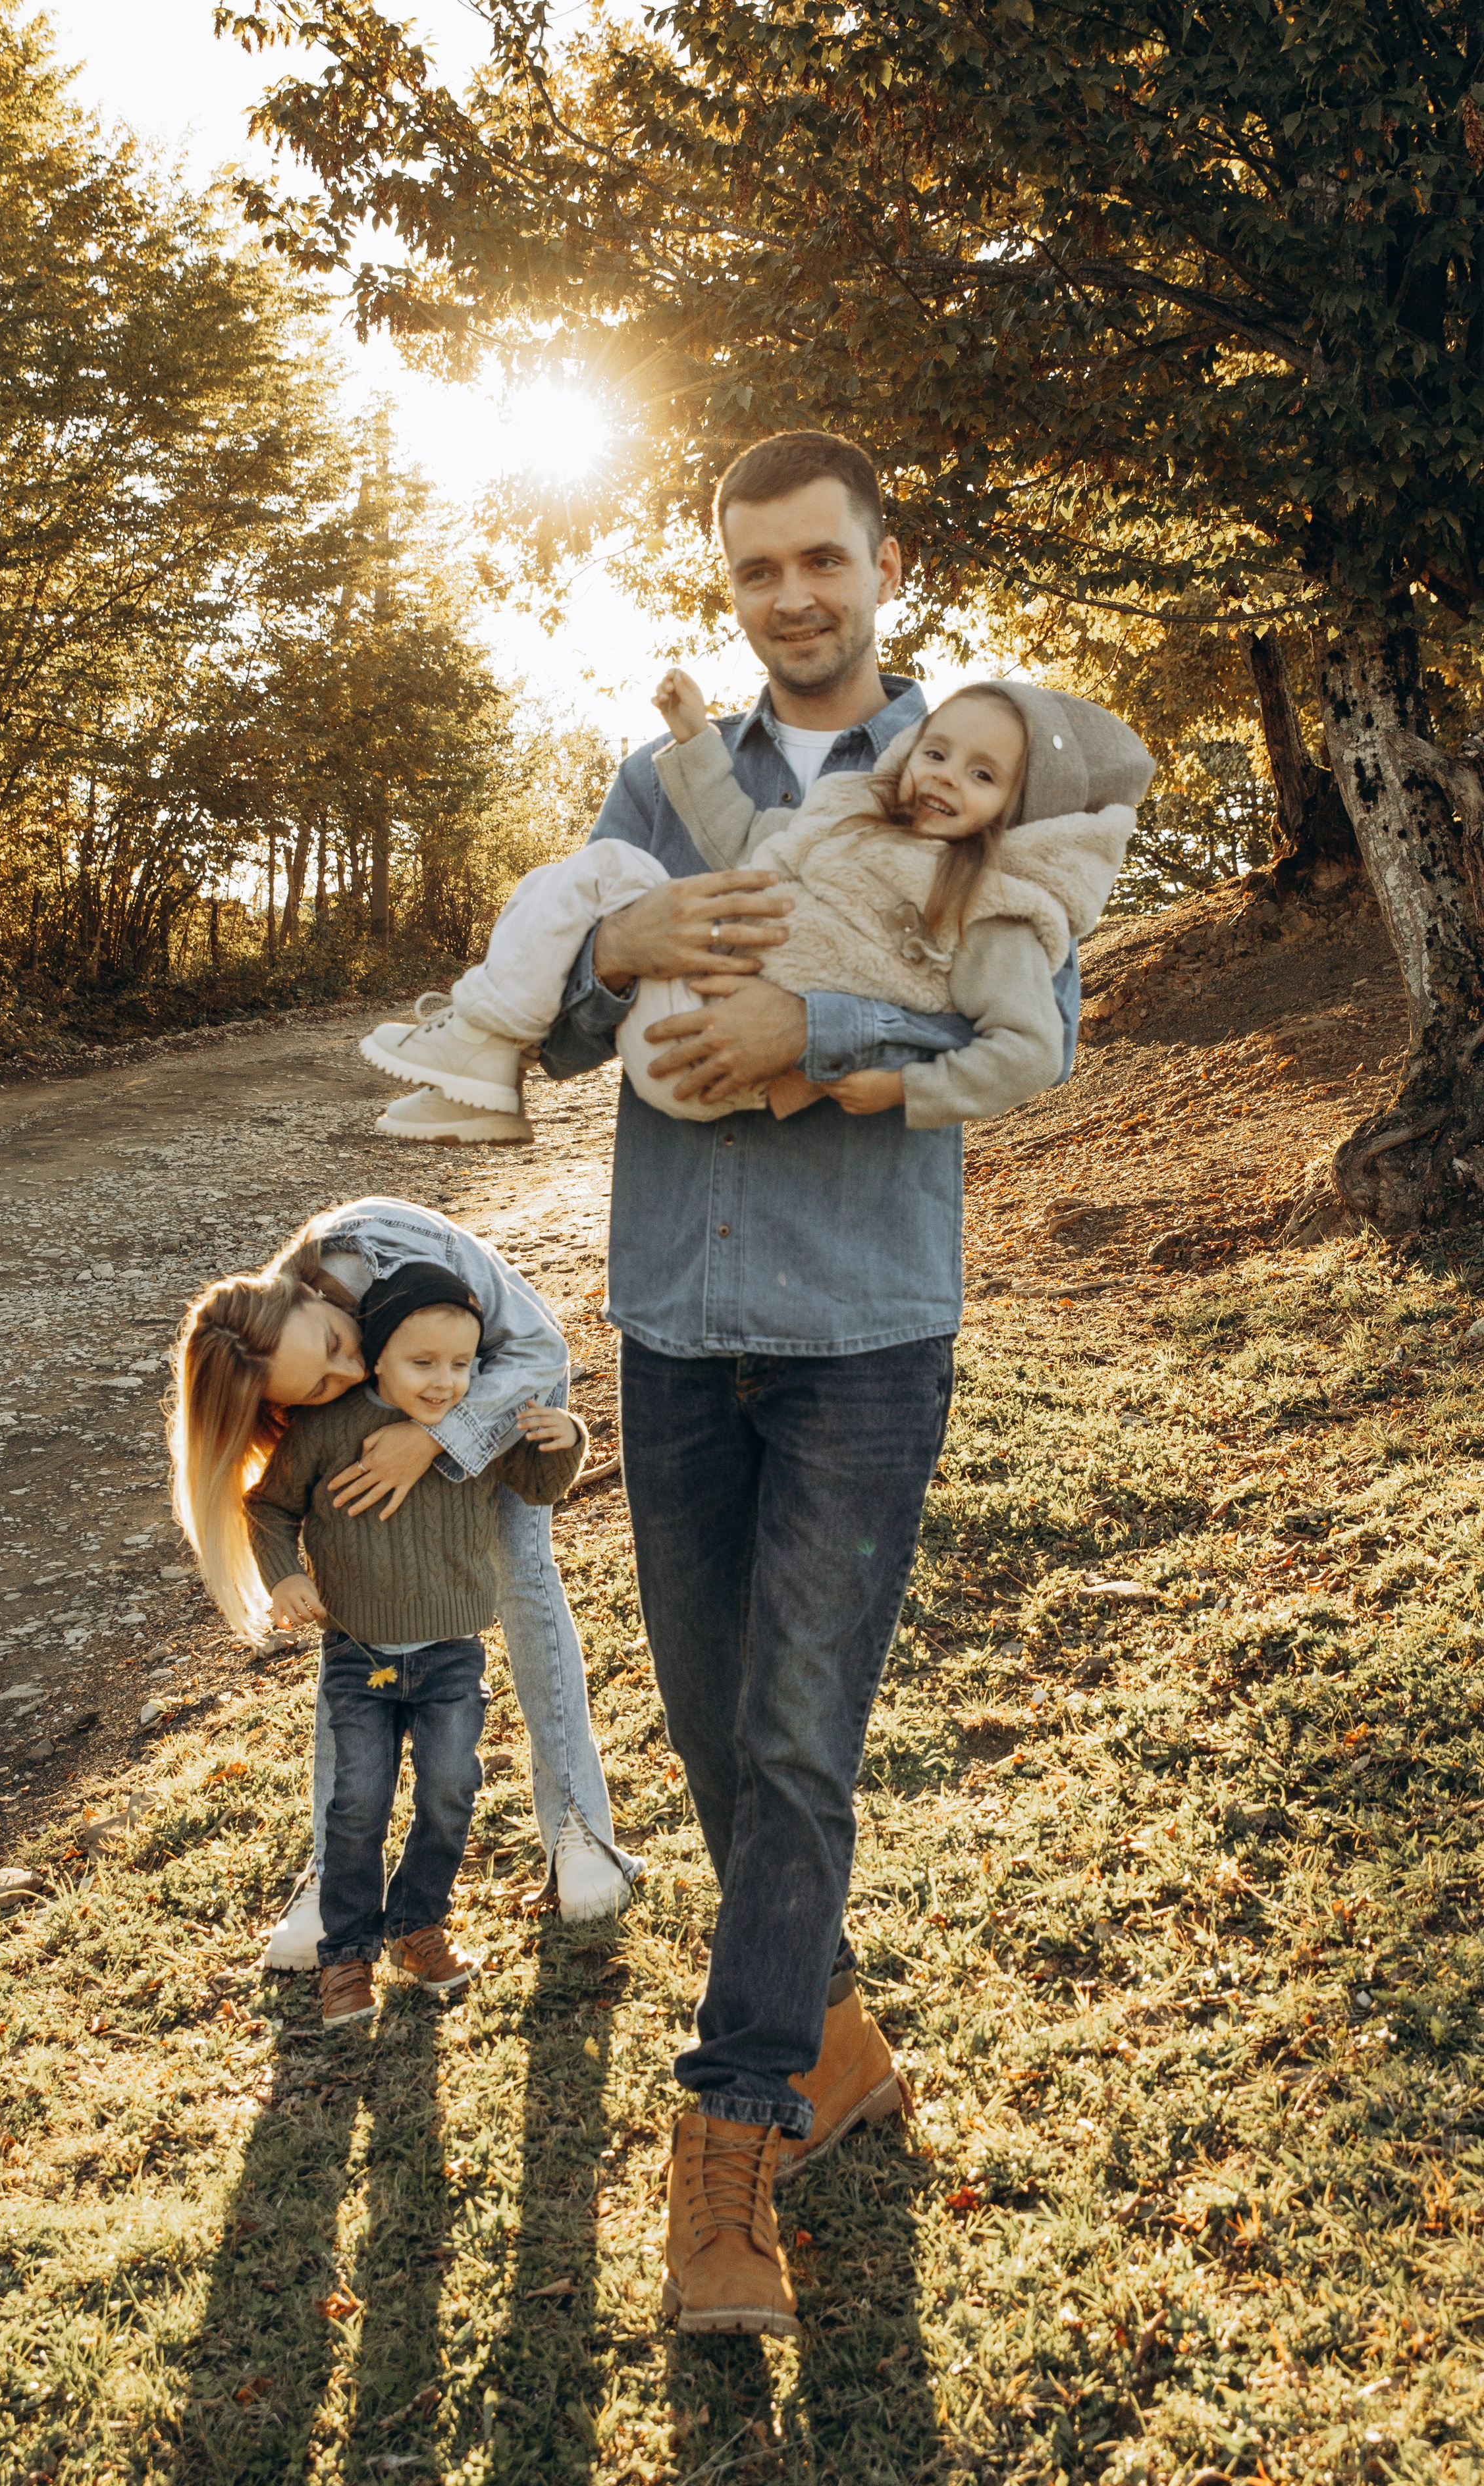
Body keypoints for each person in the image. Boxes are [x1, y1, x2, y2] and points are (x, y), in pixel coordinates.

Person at [527, 428, 1149, 2342]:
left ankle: (726, 2145)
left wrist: (832, 1019)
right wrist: (607, 944)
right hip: (681, 1329)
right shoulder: (663, 775)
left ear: (885, 562)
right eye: (753, 570)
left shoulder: (988, 791)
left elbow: (1021, 1024)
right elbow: (554, 1017)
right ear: (729, 586)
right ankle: (841, 2038)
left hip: (866, 1332)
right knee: (724, 1744)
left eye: (820, 560)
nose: (789, 596)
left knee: (796, 1743)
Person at [359, 670, 1148, 1130]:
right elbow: (738, 834)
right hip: (691, 1005)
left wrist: (907, 1088)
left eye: (982, 774)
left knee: (600, 869)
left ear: (1020, 808)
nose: (945, 775)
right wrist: (695, 737)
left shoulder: (991, 905)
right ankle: (488, 1061)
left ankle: (482, 1043)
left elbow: (1033, 1048)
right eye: (936, 753)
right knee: (591, 873)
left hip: (709, 1066)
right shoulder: (849, 819)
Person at [168, 1197, 640, 1947]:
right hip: (396, 1402)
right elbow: (300, 1464)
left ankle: (581, 1832)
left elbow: (542, 1351)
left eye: (331, 1342)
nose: (343, 1368)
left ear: (307, 1296)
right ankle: (332, 1874)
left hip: (500, 1380)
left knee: (519, 1567)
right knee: (352, 1611)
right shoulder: (303, 1359)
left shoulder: (378, 1239)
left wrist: (432, 1436)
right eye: (320, 1386)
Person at [244, 1262, 586, 2028]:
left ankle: (418, 1927)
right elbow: (265, 1506)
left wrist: (568, 1436)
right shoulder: (324, 1429)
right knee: (358, 1804)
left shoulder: (473, 1427)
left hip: (451, 1655)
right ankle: (347, 1955)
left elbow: (539, 1482)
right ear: (378, 1357)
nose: (444, 1384)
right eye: (422, 1364)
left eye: (462, 1365)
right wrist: (284, 1579)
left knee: (448, 1791)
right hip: (359, 1657)